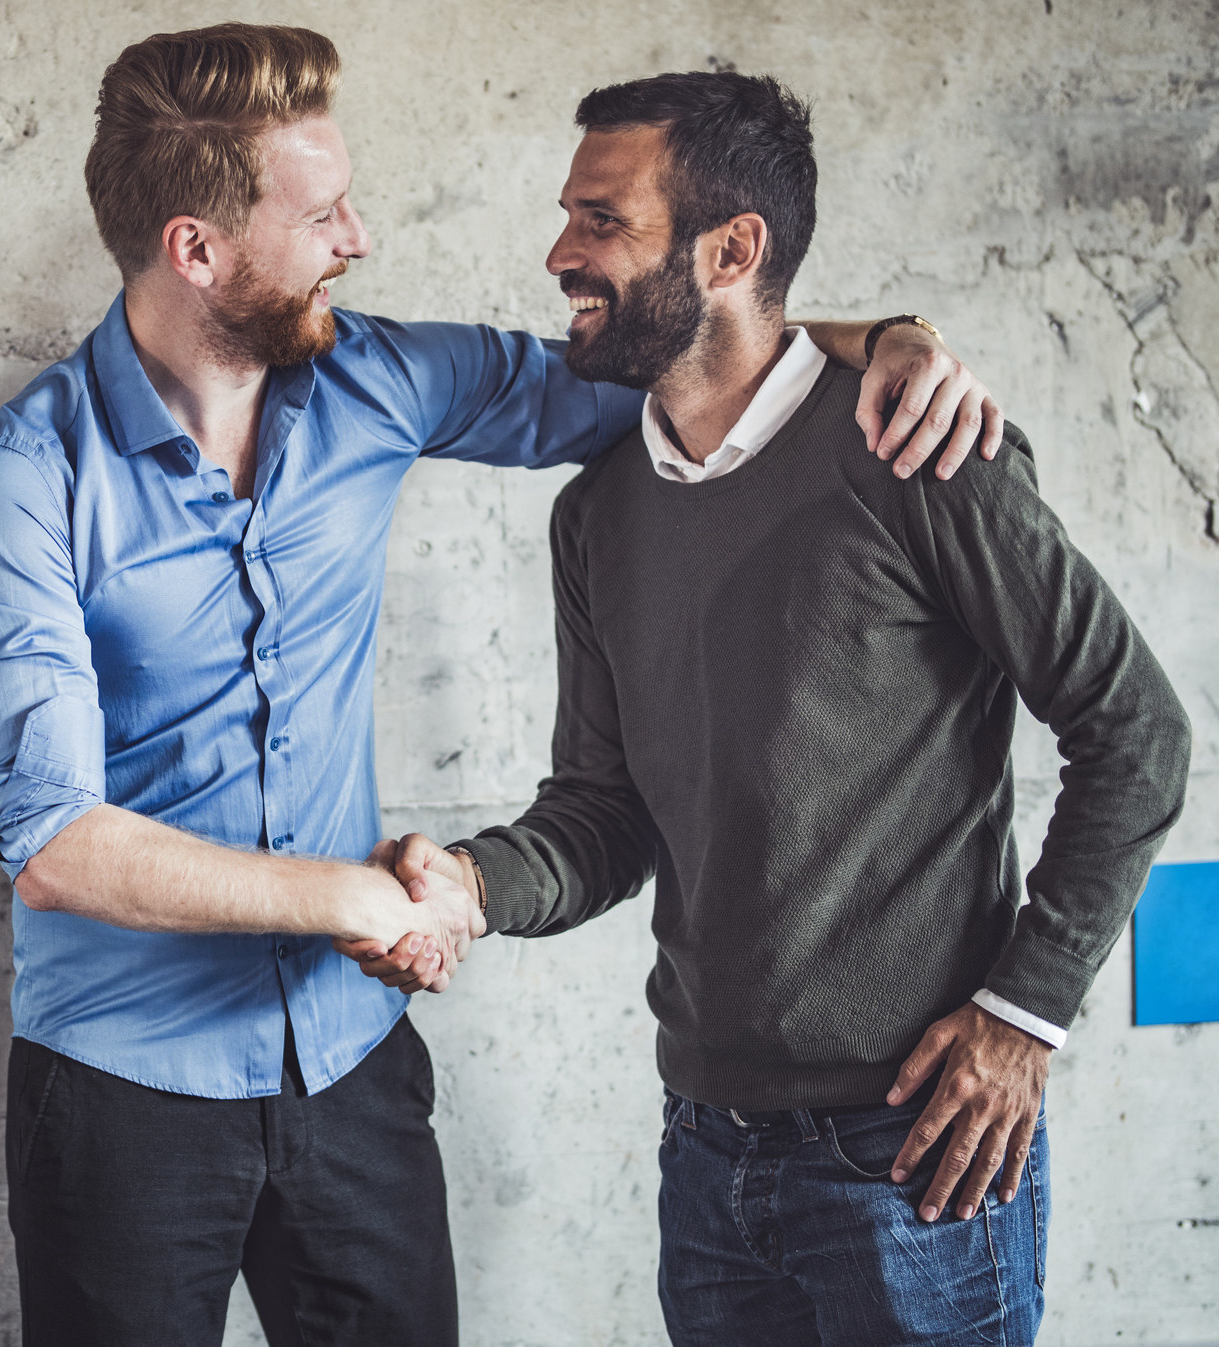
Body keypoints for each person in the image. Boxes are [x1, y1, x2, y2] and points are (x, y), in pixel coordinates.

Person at [0, 23, 1004, 1347]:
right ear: (195, 249)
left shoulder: (375, 377)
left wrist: (886, 335)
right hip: (121, 1090)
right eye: (323, 212)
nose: (359, 236)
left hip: (351, 1071)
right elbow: (53, 840)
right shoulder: (23, 480)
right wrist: (365, 897)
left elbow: (667, 367)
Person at [351, 70, 1192, 1346]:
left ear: (732, 248)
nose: (560, 253)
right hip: (706, 1153)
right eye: (569, 217)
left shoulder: (915, 451)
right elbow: (603, 813)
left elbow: (1136, 728)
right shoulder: (601, 515)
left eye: (602, 221)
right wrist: (469, 884)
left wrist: (1025, 1019)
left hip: (917, 1161)